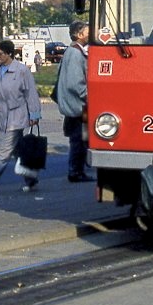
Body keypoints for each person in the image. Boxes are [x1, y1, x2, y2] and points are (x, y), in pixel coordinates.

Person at [0, 40, 41, 194]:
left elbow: (31, 93)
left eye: (0, 53)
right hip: (2, 115)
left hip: (17, 115)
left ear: (9, 54)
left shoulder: (21, 71)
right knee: (18, 149)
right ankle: (31, 179)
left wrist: (34, 114)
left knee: (5, 150)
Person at [56, 20, 93, 183]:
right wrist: (88, 96)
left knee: (80, 139)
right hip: (78, 106)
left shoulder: (72, 52)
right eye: (87, 32)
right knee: (79, 139)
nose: (90, 35)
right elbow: (75, 83)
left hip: (74, 105)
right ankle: (76, 171)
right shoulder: (76, 54)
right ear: (79, 34)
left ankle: (78, 169)